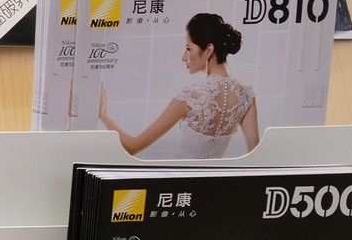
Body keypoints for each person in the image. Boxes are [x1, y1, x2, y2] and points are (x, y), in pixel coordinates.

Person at [98, 13, 258, 158]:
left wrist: (104, 116)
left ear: (209, 50)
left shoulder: (190, 97)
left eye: (188, 49)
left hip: (178, 180)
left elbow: (132, 147)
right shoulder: (246, 95)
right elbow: (255, 155)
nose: (183, 57)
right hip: (216, 181)